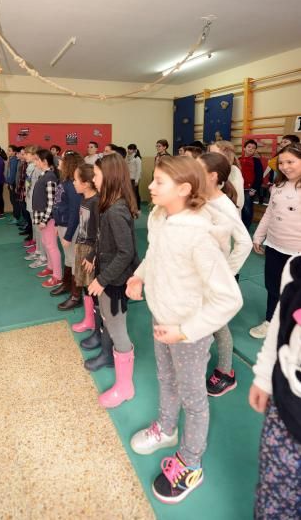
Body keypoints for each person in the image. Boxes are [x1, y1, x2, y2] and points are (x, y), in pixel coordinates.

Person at [126, 156, 243, 504]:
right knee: (166, 379)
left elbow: (228, 299)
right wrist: (139, 276)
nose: (150, 185)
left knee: (194, 399)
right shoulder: (161, 217)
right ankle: (165, 427)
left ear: (184, 189)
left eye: (158, 181)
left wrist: (187, 330)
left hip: (187, 330)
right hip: (160, 318)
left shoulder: (199, 236)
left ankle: (190, 462)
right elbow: (155, 254)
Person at [85, 154, 139, 409]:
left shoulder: (116, 210)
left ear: (110, 176)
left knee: (117, 329)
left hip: (115, 281)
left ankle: (125, 386)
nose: (93, 179)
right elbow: (103, 240)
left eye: (96, 175)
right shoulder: (107, 204)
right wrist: (94, 257)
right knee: (109, 322)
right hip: (108, 275)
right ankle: (116, 353)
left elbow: (125, 252)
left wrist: (102, 280)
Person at [249, 255, 301, 519]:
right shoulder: (295, 270)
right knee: (273, 496)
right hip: (285, 416)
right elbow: (280, 328)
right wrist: (263, 376)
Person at [198, 152, 252, 396]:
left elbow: (245, 243)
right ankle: (198, 361)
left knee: (217, 324)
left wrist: (227, 274)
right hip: (197, 272)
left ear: (212, 176)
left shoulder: (224, 205)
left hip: (213, 275)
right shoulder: (200, 197)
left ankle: (226, 372)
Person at [250, 142, 301, 339]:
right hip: (274, 246)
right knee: (273, 286)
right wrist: (258, 236)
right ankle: (270, 321)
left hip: (297, 251)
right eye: (281, 162)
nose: (285, 166)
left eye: (291, 162)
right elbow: (269, 214)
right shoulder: (278, 186)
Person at [51, 151, 83, 309]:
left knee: (74, 260)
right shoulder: (64, 181)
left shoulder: (72, 185)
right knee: (68, 259)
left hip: (71, 228)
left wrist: (68, 236)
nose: (59, 162)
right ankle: (67, 285)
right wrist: (57, 225)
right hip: (63, 225)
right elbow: (59, 206)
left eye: (62, 160)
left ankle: (76, 296)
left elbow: (75, 212)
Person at [71, 163, 100, 335]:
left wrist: (92, 254)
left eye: (76, 180)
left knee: (91, 287)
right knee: (83, 285)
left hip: (91, 250)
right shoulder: (85, 199)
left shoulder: (96, 202)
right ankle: (89, 320)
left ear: (86, 183)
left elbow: (100, 232)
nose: (73, 183)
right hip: (82, 246)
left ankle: (95, 323)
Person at [31, 149, 62, 289]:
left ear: (44, 161)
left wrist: (44, 219)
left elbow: (52, 202)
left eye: (36, 159)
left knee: (51, 246)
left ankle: (57, 276)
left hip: (48, 219)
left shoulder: (50, 177)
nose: (34, 162)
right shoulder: (43, 175)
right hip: (43, 217)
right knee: (46, 243)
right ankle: (50, 267)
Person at [208, 140, 244, 212]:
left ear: (226, 154)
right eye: (210, 153)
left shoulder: (234, 171)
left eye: (214, 153)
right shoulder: (212, 170)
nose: (210, 156)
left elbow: (239, 201)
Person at [239, 139, 263, 230]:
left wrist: (254, 189)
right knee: (239, 208)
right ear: (244, 148)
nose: (250, 149)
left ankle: (246, 227)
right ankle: (239, 226)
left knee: (247, 209)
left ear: (255, 150)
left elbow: (259, 176)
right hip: (238, 189)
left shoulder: (256, 161)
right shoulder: (238, 159)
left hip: (249, 190)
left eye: (253, 148)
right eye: (249, 147)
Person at [5, 144, 19, 224]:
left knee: (14, 201)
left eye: (9, 150)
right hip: (10, 182)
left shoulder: (14, 160)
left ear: (14, 152)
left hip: (13, 183)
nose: (8, 152)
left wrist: (10, 183)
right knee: (12, 200)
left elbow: (13, 173)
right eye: (8, 150)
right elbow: (8, 173)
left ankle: (16, 217)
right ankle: (15, 216)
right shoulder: (11, 159)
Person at [126, 143, 142, 212]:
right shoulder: (127, 157)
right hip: (128, 178)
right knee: (129, 194)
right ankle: (130, 207)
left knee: (135, 194)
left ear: (135, 150)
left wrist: (136, 180)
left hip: (134, 179)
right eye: (128, 149)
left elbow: (139, 170)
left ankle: (137, 208)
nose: (129, 150)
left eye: (131, 149)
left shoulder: (137, 158)